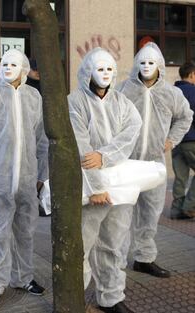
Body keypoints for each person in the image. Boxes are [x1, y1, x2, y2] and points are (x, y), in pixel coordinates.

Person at [0, 48, 49, 309]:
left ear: (24, 69)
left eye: (13, 64)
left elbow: (42, 139)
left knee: (25, 233)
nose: (7, 67)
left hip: (26, 180)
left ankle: (23, 278)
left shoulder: (34, 96)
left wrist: (41, 175)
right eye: (4, 63)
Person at [69, 48, 141, 313]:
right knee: (83, 246)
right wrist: (96, 186)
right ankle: (73, 301)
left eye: (110, 69)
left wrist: (104, 155)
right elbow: (80, 145)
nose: (106, 74)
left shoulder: (122, 102)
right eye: (100, 69)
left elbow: (131, 132)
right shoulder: (75, 101)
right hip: (90, 187)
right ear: (88, 70)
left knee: (114, 244)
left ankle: (111, 298)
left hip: (119, 185)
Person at [117, 42, 193, 278]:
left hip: (154, 164)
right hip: (127, 163)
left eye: (151, 63)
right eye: (143, 62)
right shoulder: (123, 89)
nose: (147, 66)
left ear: (159, 66)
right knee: (121, 217)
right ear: (136, 64)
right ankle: (116, 262)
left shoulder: (171, 93)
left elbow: (185, 116)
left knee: (150, 214)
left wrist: (172, 140)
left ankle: (144, 258)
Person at [170, 62, 195, 220]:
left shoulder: (172, 91)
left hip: (174, 141)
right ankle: (189, 207)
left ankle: (176, 210)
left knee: (180, 176)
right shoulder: (193, 91)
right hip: (192, 139)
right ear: (192, 74)